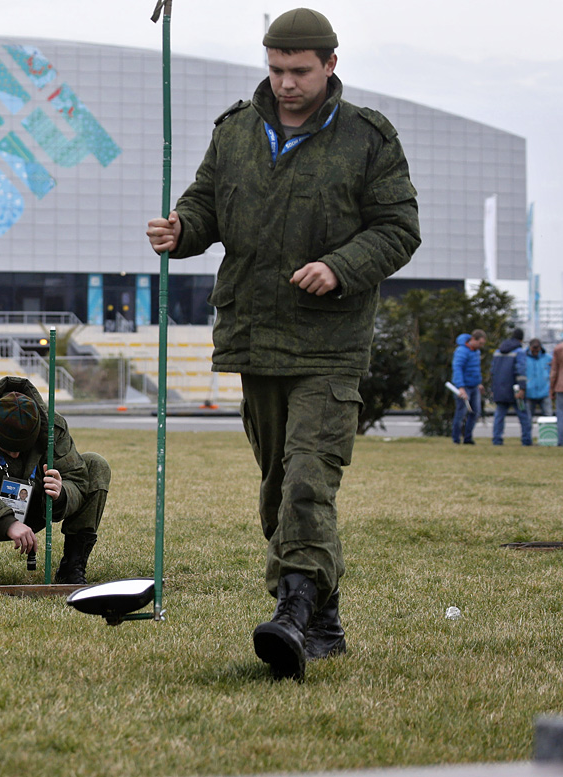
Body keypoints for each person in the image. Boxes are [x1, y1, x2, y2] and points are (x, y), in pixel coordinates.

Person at [144, 8, 420, 680]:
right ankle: (323, 618)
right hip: (253, 336)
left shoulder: (367, 139)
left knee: (306, 477)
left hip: (329, 345)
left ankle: (293, 610)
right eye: (276, 70)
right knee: (278, 488)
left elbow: (398, 228)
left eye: (300, 70)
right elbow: (206, 206)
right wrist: (180, 230)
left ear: (330, 64)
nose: (287, 83)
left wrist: (340, 266)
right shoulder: (236, 131)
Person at [0, 376, 111, 585]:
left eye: (21, 449)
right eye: (7, 448)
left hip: (36, 504)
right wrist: (5, 521)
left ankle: (72, 566)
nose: (15, 455)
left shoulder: (51, 425)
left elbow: (77, 478)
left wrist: (61, 494)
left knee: (96, 464)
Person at [489, 328, 529, 446]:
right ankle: (526, 440)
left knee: (499, 416)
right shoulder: (519, 352)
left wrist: (493, 388)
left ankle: (497, 439)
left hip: (500, 388)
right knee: (523, 415)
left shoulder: (497, 351)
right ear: (521, 339)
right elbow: (521, 371)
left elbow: (493, 371)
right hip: (515, 389)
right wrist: (522, 388)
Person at [450, 330, 486, 444]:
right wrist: (460, 387)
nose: (481, 346)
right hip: (464, 387)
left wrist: (479, 383)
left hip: (474, 386)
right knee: (461, 413)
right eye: (480, 343)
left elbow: (475, 369)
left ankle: (468, 438)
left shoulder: (476, 352)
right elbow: (457, 369)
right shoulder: (461, 351)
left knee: (475, 412)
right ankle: (456, 439)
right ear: (473, 339)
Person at [523, 338, 553, 419]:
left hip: (544, 392)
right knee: (527, 418)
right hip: (529, 392)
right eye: (534, 348)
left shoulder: (548, 358)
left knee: (548, 417)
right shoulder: (524, 358)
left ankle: (548, 432)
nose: (535, 350)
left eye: (537, 348)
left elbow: (552, 373)